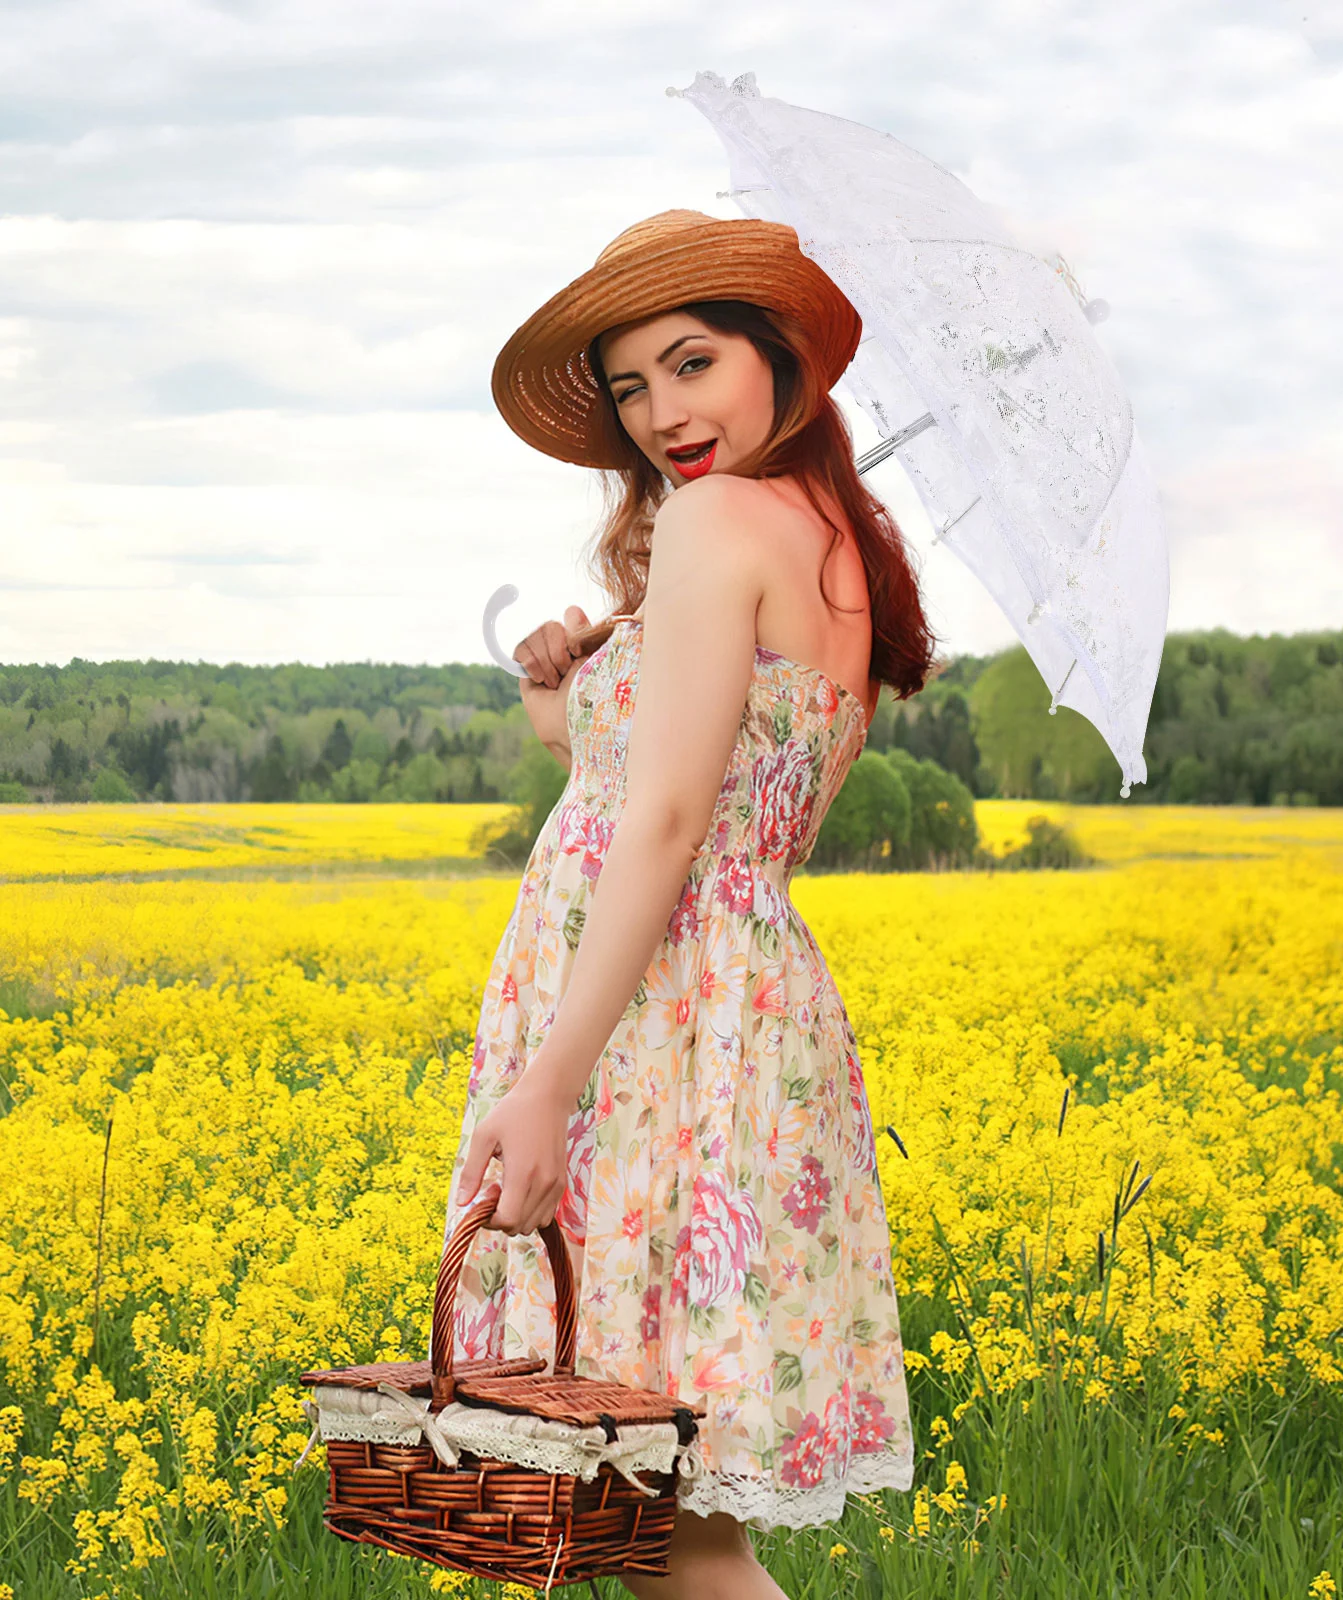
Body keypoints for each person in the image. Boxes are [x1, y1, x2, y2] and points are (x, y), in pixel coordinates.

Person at [445, 208, 936, 1599]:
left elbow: (662, 823)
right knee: (652, 1515)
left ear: (783, 358)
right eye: (631, 388)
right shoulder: (826, 538)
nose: (663, 414)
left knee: (649, 1516)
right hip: (730, 1014)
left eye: (695, 362)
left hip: (650, 1027)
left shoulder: (720, 521)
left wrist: (546, 1082)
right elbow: (644, 775)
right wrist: (563, 682)